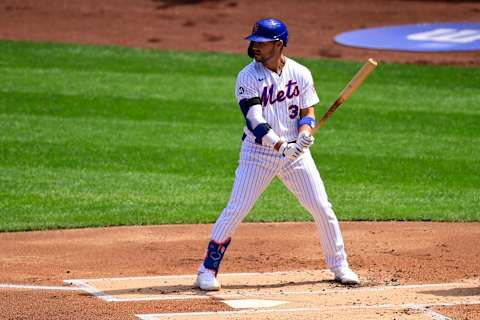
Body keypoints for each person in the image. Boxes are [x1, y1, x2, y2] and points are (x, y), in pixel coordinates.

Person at [195, 18, 359, 291]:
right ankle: (207, 270)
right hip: (258, 153)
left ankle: (340, 265)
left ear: (279, 44)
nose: (254, 47)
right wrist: (281, 145)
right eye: (254, 42)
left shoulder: (301, 73)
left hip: (296, 155)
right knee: (236, 209)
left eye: (261, 42)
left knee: (321, 207)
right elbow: (254, 121)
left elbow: (308, 111)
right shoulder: (248, 76)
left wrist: (305, 132)